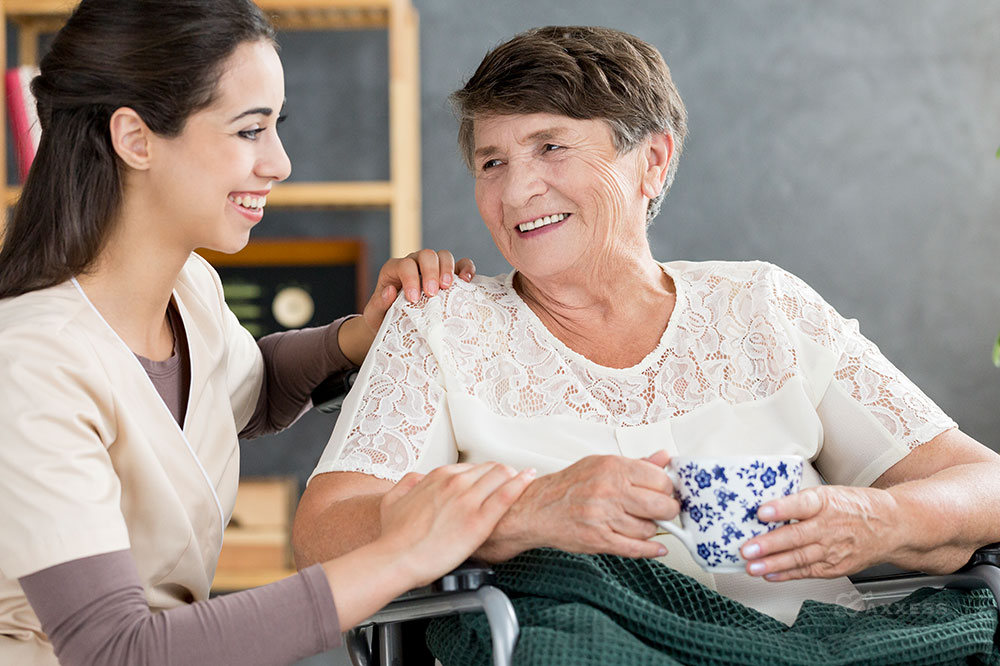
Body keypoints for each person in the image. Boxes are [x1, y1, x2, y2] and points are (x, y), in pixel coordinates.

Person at [293, 25, 1000, 624]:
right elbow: (324, 533)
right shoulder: (443, 324)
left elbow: (982, 484)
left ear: (652, 161)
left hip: (816, 645)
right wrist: (521, 513)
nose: (514, 191)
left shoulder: (762, 305)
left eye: (551, 147)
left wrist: (886, 523)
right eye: (491, 161)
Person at [0, 1, 537, 664]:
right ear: (135, 139)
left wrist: (357, 338)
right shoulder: (30, 363)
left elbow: (249, 391)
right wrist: (401, 554)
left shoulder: (188, 290)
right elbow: (118, 651)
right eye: (250, 131)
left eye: (276, 127)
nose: (279, 163)